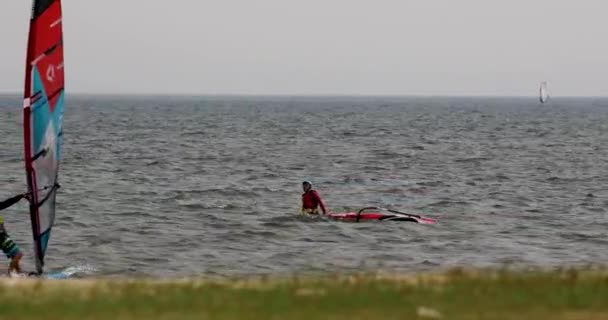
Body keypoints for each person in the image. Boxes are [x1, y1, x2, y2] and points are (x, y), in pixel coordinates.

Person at [0, 193, 29, 274]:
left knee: (14, 255)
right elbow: (7, 203)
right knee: (18, 254)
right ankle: (10, 273)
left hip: (2, 236)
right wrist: (20, 196)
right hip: (0, 237)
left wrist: (20, 196)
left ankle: (18, 272)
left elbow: (7, 202)